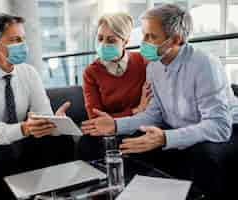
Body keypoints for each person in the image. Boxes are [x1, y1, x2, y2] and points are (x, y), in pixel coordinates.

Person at [82, 4, 238, 198]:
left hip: (226, 130)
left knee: (203, 156)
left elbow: (219, 126)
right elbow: (153, 114)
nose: (143, 43)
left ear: (175, 40)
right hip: (181, 129)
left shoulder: (205, 64)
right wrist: (114, 125)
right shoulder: (154, 67)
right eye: (144, 35)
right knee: (134, 147)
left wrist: (165, 138)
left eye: (151, 37)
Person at [0, 13, 74, 200]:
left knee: (60, 141)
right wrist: (23, 129)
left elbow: (42, 115)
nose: (23, 46)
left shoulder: (29, 72)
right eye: (15, 40)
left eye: (23, 39)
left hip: (20, 136)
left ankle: (55, 196)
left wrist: (53, 123)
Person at [78, 13, 151, 161]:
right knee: (87, 142)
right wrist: (136, 110)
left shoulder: (143, 62)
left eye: (111, 40)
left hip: (138, 126)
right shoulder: (91, 72)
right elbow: (96, 119)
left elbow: (152, 108)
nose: (103, 44)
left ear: (125, 42)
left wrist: (117, 118)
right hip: (106, 132)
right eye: (100, 38)